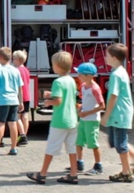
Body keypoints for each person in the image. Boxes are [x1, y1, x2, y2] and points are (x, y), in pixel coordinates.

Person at [27, 51, 79, 185]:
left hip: (60, 120)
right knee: (72, 149)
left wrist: (47, 102)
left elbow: (58, 101)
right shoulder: (72, 81)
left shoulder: (58, 82)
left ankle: (42, 174)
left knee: (51, 148)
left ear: (57, 66)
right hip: (72, 119)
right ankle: (73, 174)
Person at [102, 43, 134, 182]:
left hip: (119, 113)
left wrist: (106, 115)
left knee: (120, 144)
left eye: (107, 55)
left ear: (114, 58)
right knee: (115, 141)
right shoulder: (121, 71)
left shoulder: (116, 75)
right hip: (120, 113)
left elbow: (113, 96)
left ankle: (126, 172)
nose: (105, 57)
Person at [0, 47, 23, 156]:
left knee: (0, 123)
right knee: (12, 123)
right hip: (14, 100)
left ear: (0, 57)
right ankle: (13, 148)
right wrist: (20, 101)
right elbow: (20, 88)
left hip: (2, 100)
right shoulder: (16, 70)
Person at [73, 62, 105, 175]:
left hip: (92, 120)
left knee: (93, 144)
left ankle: (98, 166)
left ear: (89, 76)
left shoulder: (95, 88)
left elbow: (102, 106)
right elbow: (85, 101)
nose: (78, 76)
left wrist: (87, 113)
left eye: (80, 74)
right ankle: (79, 163)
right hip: (84, 119)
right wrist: (80, 108)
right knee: (79, 141)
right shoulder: (83, 86)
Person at [13, 50, 30, 146]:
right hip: (27, 95)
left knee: (17, 117)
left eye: (14, 59)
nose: (13, 61)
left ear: (19, 60)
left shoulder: (17, 70)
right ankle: (24, 136)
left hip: (19, 96)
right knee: (25, 116)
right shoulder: (26, 70)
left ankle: (22, 135)